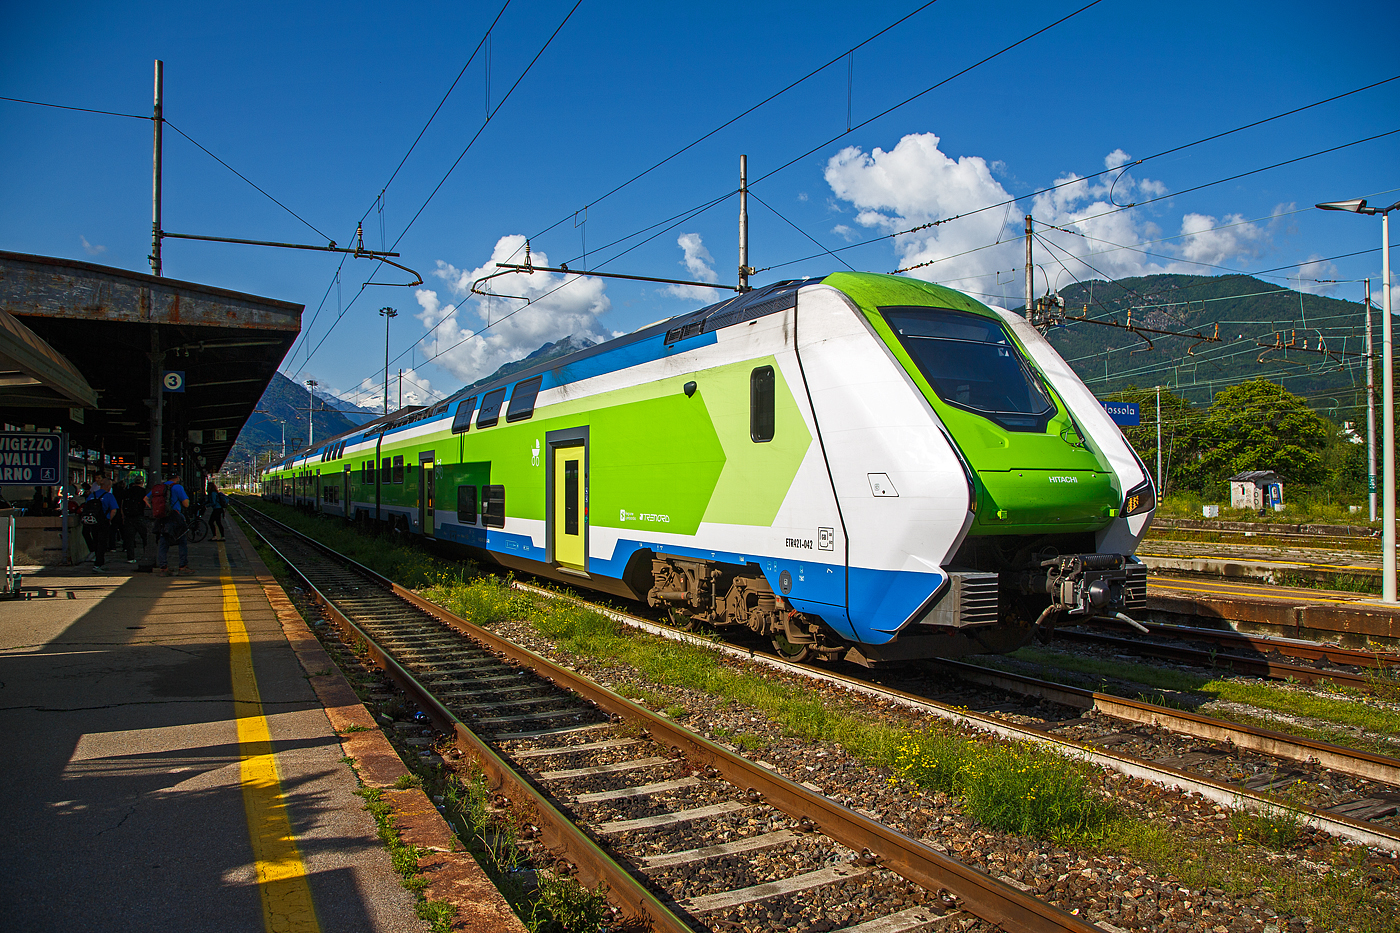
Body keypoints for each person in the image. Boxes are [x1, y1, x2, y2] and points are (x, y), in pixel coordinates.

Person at [146, 470, 192, 576]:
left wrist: (155, 509)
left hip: (162, 517)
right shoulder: (178, 487)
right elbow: (186, 504)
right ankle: (182, 567)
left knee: (163, 542)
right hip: (175, 516)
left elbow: (146, 498)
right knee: (182, 542)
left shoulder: (159, 487)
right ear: (177, 478)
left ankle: (163, 568)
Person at [80, 477, 120, 574]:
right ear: (108, 486)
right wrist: (109, 519)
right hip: (103, 522)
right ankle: (98, 564)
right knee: (102, 543)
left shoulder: (92, 495)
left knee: (96, 540)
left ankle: (94, 555)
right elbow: (114, 510)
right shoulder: (109, 496)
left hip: (93, 522)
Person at [124, 474, 148, 562]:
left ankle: (130, 557)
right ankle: (146, 555)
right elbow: (146, 501)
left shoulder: (128, 491)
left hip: (128, 516)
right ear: (142, 483)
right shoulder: (143, 491)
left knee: (130, 538)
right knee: (144, 537)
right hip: (139, 516)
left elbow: (123, 503)